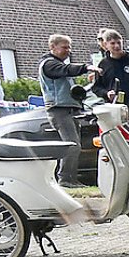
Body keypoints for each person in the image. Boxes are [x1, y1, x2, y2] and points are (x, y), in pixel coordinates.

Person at [38, 34, 90, 187]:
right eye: (65, 47)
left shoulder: (58, 65)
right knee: (72, 145)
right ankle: (65, 180)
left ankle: (71, 179)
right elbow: (66, 70)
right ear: (52, 47)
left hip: (69, 109)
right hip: (59, 110)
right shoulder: (49, 65)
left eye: (70, 47)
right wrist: (86, 68)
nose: (68, 50)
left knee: (74, 145)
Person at [94, 28, 129, 116]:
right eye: (112, 43)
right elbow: (96, 87)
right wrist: (106, 93)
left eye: (119, 42)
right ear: (106, 45)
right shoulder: (103, 65)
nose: (116, 46)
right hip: (113, 110)